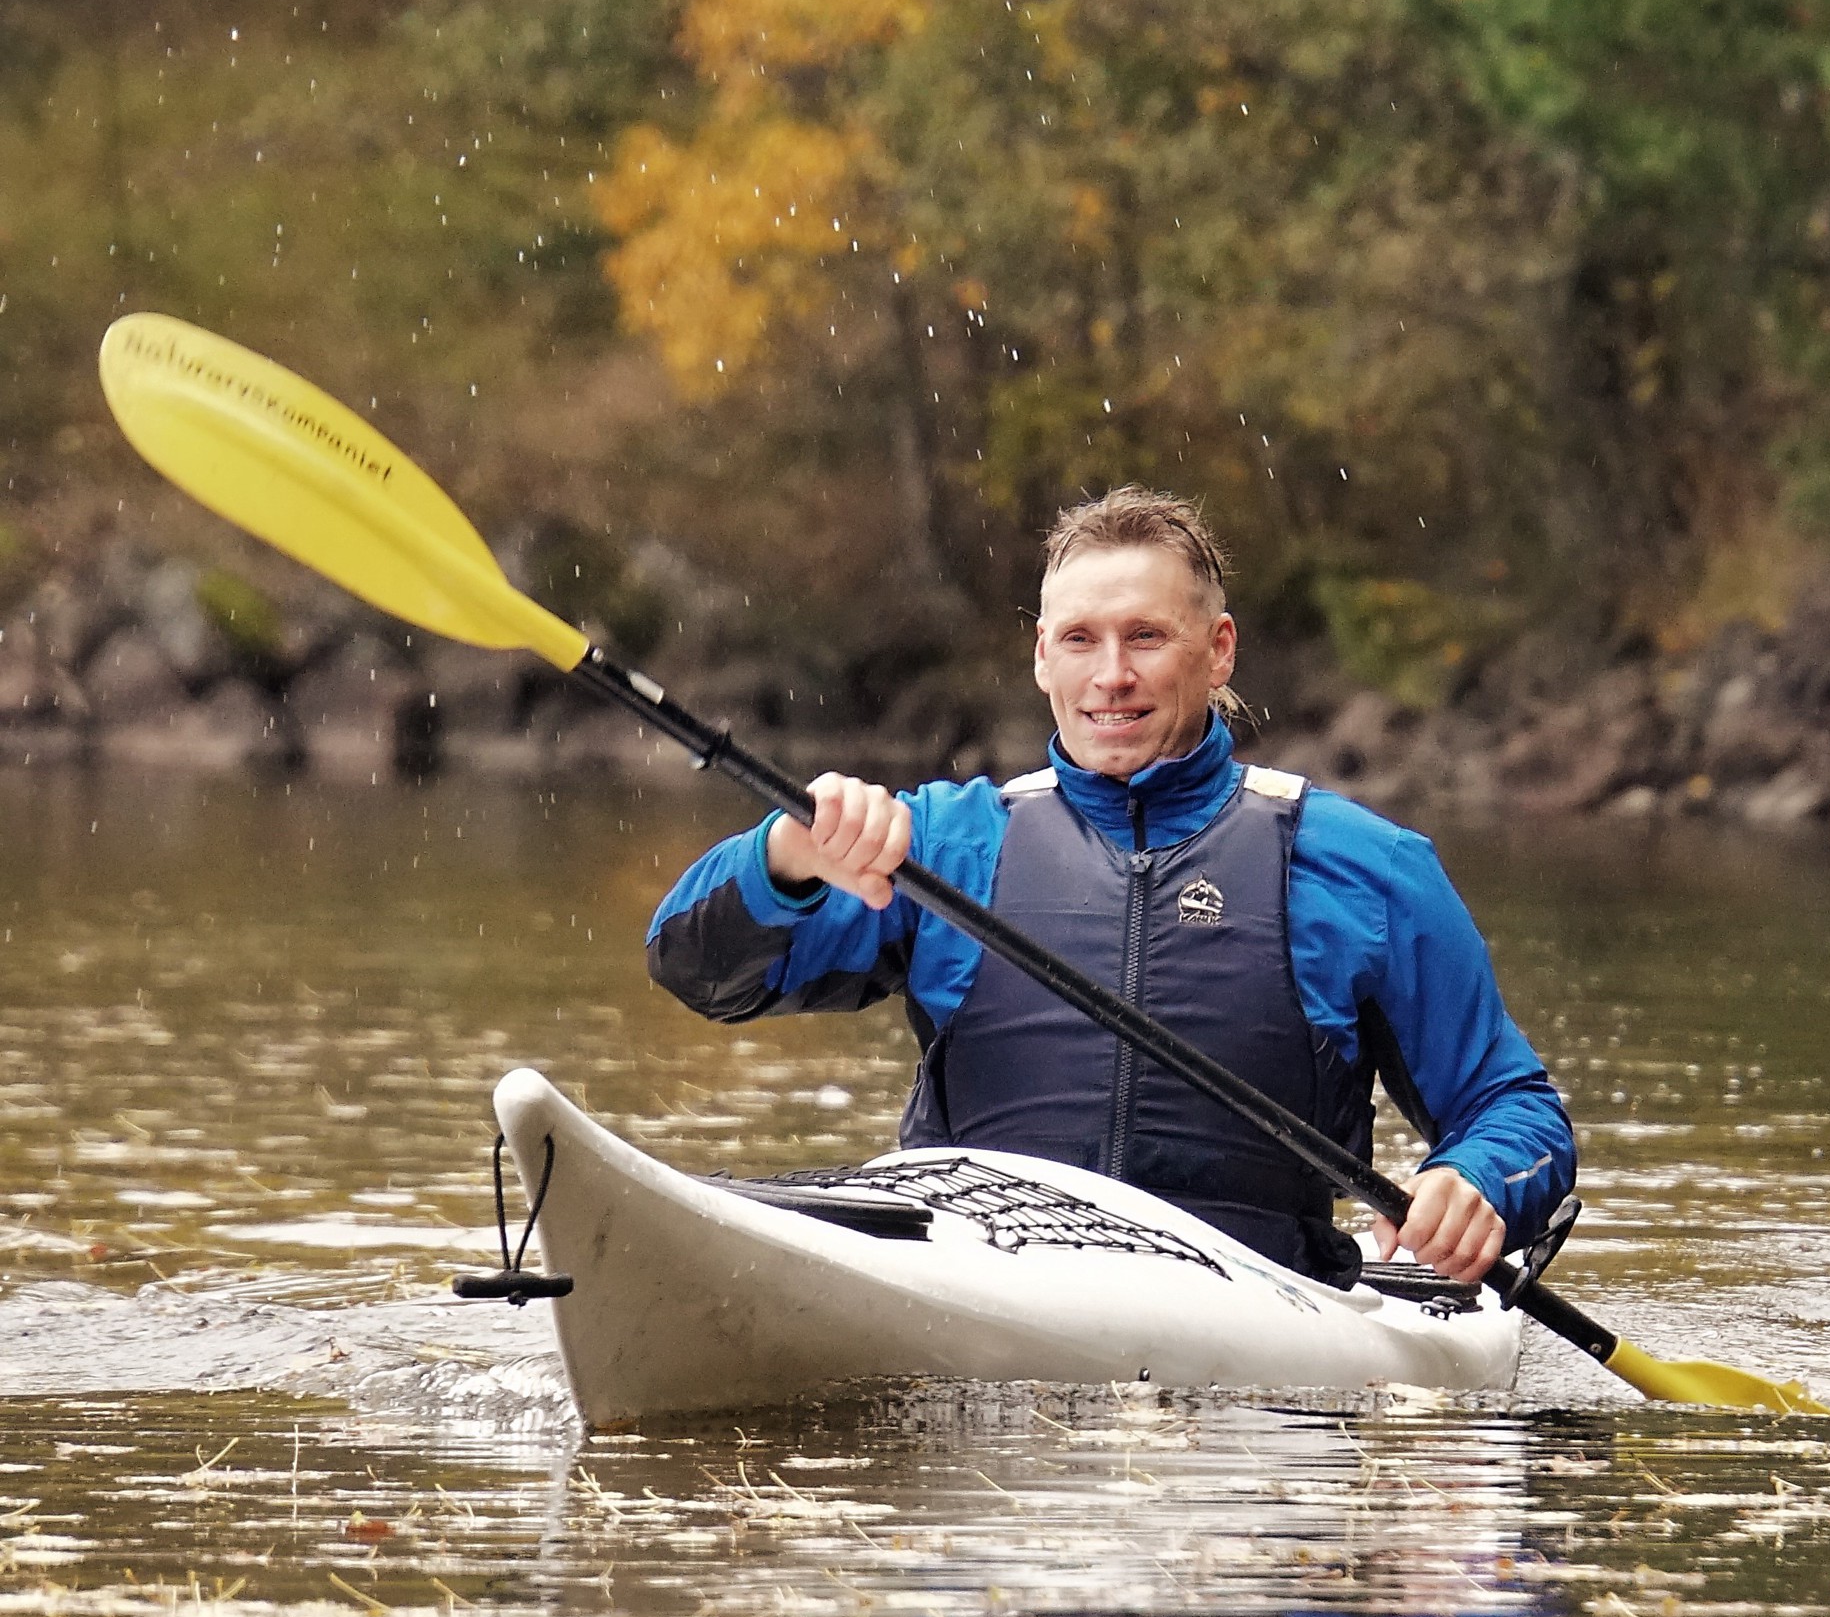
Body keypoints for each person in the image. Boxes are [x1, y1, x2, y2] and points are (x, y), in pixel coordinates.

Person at [647, 487, 1575, 1287]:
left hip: (1253, 1300)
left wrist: (1478, 1181)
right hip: (975, 1273)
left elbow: (1518, 1112)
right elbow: (692, 968)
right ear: (1042, 656)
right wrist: (786, 857)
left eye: (1145, 638)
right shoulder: (941, 843)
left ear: (1217, 652)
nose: (1111, 675)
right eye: (1080, 640)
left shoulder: (1361, 866)